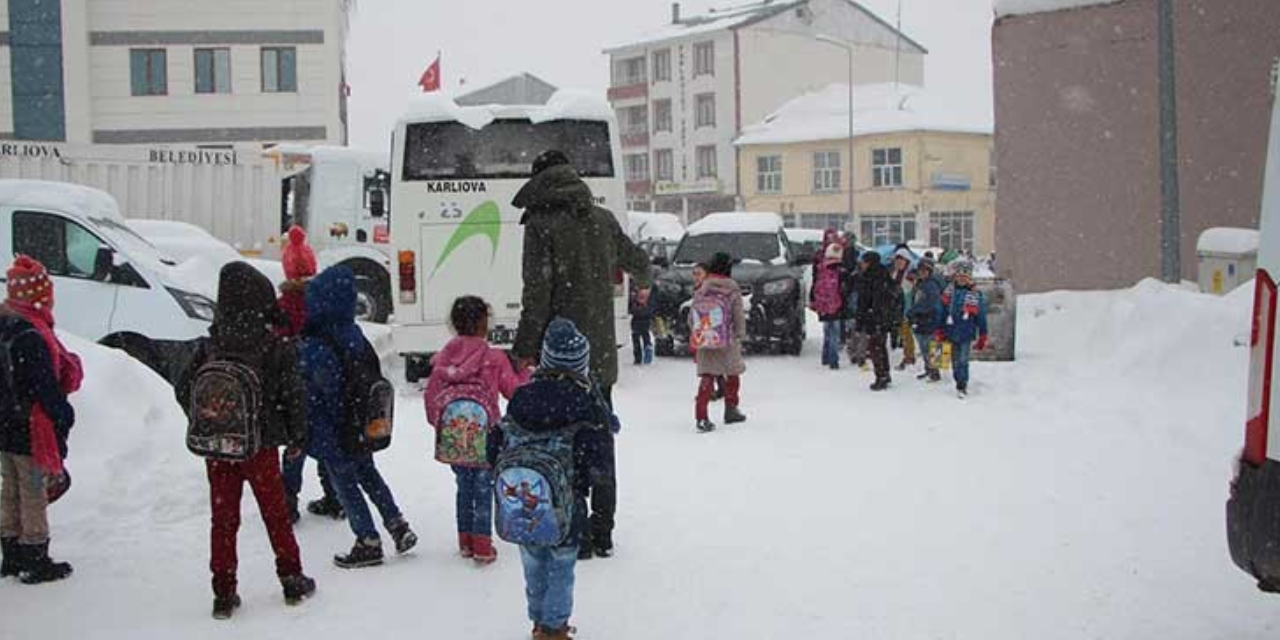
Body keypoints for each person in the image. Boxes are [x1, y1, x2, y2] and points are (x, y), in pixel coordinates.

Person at [512, 150, 652, 559]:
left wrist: (524, 348)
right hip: (600, 356)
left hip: (560, 358)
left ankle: (578, 531)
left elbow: (537, 293)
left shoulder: (541, 225)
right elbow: (638, 260)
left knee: (562, 441)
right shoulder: (603, 220)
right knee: (598, 437)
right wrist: (643, 282)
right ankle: (603, 530)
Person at [175, 262, 315, 618]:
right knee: (275, 513)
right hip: (260, 445)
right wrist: (296, 435)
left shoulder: (212, 346)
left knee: (223, 518)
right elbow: (293, 394)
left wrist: (210, 418)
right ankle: (291, 578)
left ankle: (223, 593)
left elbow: (183, 389)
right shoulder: (272, 345)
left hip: (220, 446)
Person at [489, 318, 611, 640]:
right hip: (565, 504)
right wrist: (586, 483)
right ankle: (555, 627)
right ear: (581, 364)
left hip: (521, 503)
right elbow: (596, 457)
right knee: (561, 564)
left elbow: (497, 441)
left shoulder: (522, 396)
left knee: (533, 562)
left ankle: (538, 623)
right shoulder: (583, 402)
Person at [299, 266, 416, 568]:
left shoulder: (316, 343)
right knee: (369, 474)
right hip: (362, 422)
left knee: (345, 483)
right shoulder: (354, 333)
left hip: (334, 427)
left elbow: (320, 390)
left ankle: (368, 540)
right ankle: (398, 524)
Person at [425, 296, 529, 565]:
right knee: (484, 489)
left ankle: (465, 541)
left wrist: (441, 426)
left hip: (455, 437)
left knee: (463, 487)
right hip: (487, 436)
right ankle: (483, 544)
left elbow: (431, 398)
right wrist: (525, 373)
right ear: (485, 324)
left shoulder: (443, 361)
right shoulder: (494, 358)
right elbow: (513, 391)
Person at [0, 256, 80, 585]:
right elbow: (45, 388)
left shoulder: (5, 326)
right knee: (33, 491)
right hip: (29, 428)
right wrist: (64, 414)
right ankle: (35, 558)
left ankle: (11, 554)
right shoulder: (33, 336)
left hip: (3, 426)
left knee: (9, 490)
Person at [276, 225, 343, 523]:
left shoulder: (282, 306)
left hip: (294, 386)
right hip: (326, 385)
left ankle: (288, 503)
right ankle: (335, 497)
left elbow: (276, 342)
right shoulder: (325, 302)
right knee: (328, 443)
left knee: (295, 444)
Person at [691, 252, 747, 433]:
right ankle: (731, 409)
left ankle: (701, 416)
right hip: (727, 339)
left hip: (706, 337)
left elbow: (692, 316)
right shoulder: (732, 288)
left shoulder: (703, 287)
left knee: (707, 376)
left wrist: (698, 332)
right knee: (732, 374)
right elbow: (738, 315)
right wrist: (740, 334)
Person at [940, 260, 989, 398]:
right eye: (959, 276)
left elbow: (981, 315)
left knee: (963, 359)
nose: (962, 279)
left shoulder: (975, 294)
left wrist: (983, 334)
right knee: (955, 360)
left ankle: (963, 384)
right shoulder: (948, 293)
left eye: (965, 276)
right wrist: (940, 328)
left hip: (966, 332)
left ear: (969, 278)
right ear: (955, 276)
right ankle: (958, 379)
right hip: (951, 330)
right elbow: (941, 311)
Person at [854, 251, 897, 391]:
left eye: (865, 262)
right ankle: (885, 374)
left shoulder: (871, 278)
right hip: (882, 318)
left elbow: (867, 301)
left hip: (875, 318)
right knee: (880, 347)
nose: (862, 264)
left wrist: (862, 320)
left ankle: (881, 376)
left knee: (875, 348)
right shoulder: (884, 275)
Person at [810, 241, 850, 370]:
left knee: (827, 330)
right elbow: (845, 290)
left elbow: (815, 284)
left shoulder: (821, 268)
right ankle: (833, 360)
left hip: (824, 305)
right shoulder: (842, 270)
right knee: (835, 332)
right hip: (837, 305)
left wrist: (814, 300)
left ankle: (825, 356)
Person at [909, 257, 946, 383]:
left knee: (932, 346)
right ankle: (929, 369)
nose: (922, 272)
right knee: (925, 346)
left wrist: (915, 310)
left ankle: (935, 372)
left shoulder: (931, 284)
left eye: (925, 270)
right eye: (920, 270)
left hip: (930, 318)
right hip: (922, 319)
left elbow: (930, 303)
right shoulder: (921, 283)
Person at [889, 248, 916, 370]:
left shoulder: (910, 274)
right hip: (896, 306)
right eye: (897, 260)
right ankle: (908, 354)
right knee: (903, 332)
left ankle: (909, 356)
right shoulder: (895, 273)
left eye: (901, 260)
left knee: (906, 332)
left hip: (907, 306)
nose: (898, 263)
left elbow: (908, 290)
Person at [629, 277, 655, 366]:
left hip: (637, 317)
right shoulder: (650, 290)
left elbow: (631, 306)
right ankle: (647, 348)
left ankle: (638, 357)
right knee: (645, 334)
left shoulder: (634, 291)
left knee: (636, 337)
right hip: (646, 316)